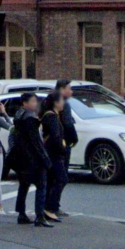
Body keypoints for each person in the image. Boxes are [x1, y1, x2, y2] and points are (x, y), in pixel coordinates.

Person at [11, 93, 53, 227]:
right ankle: (39, 216)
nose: (36, 104)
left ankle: (21, 213)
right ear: (25, 103)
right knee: (41, 185)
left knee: (24, 185)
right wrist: (45, 158)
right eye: (33, 101)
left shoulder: (18, 116)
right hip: (33, 158)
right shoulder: (30, 118)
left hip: (21, 156)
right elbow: (36, 141)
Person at [41, 92, 68, 223]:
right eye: (61, 100)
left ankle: (48, 207)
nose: (63, 103)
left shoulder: (53, 116)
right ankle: (50, 208)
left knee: (52, 181)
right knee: (61, 179)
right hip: (53, 154)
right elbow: (55, 137)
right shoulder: (51, 117)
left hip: (52, 153)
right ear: (55, 103)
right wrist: (62, 149)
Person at [54, 79, 77, 217]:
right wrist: (73, 139)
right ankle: (53, 206)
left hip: (52, 144)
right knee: (61, 177)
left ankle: (51, 205)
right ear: (62, 89)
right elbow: (68, 124)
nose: (71, 91)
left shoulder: (50, 101)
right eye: (69, 88)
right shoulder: (64, 105)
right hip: (62, 145)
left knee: (54, 177)